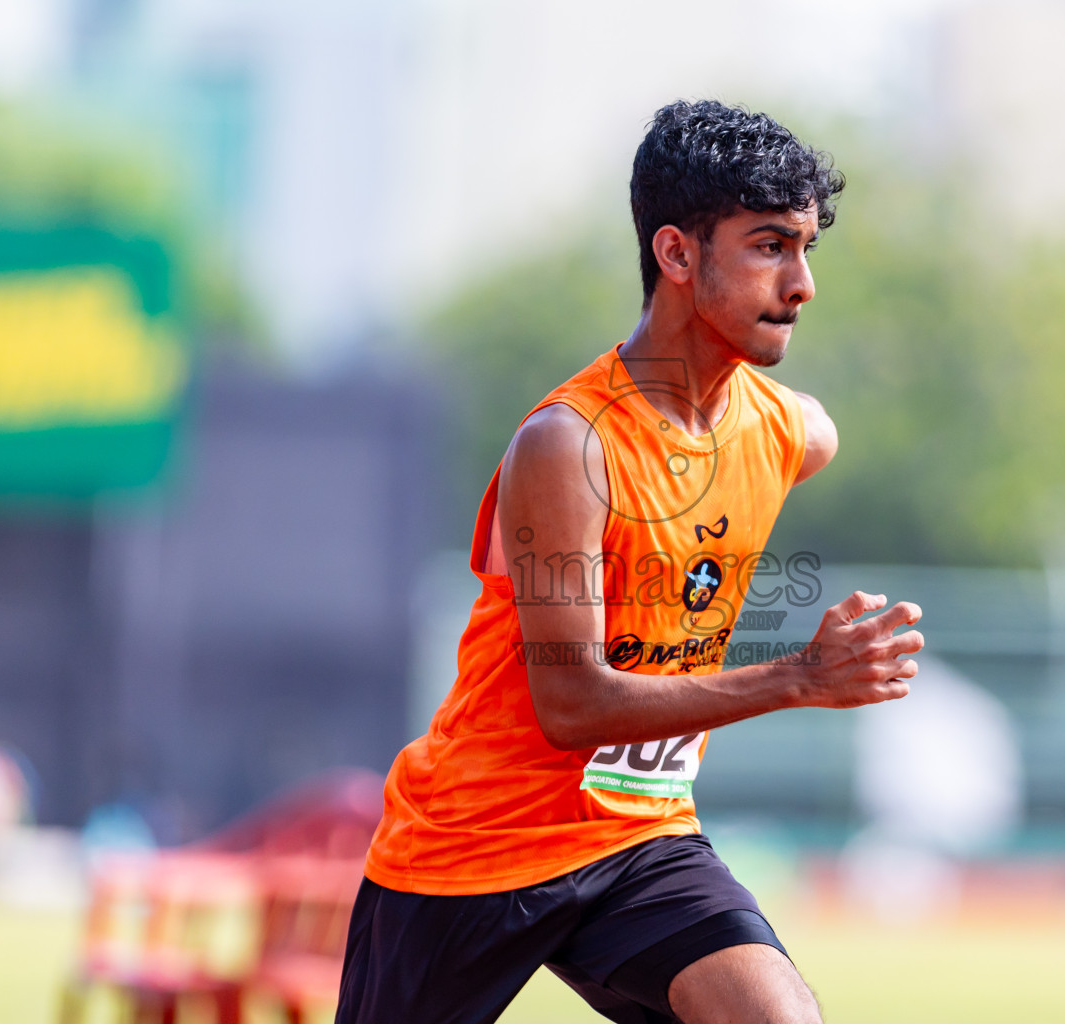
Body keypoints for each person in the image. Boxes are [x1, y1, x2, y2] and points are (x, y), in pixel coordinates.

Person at [336, 99, 924, 1024]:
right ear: (677, 254)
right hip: (476, 844)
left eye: (807, 248)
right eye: (770, 246)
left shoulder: (792, 432)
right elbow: (573, 706)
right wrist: (803, 677)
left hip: (638, 835)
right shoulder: (567, 447)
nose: (803, 283)